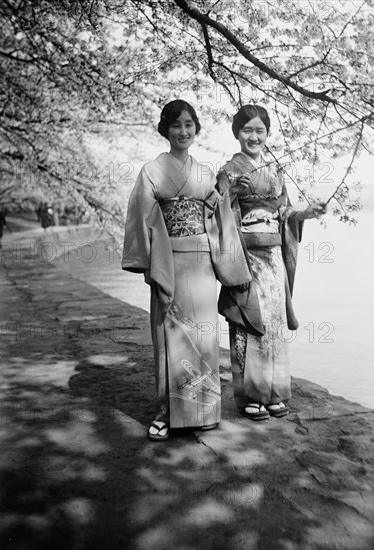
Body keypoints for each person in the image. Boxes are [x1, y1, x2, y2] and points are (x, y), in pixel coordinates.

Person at [122, 100, 251, 441]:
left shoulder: (204, 173)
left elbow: (218, 216)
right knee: (170, 334)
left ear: (196, 129)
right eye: (176, 125)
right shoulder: (151, 170)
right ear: (165, 129)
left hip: (203, 262)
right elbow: (143, 217)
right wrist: (149, 260)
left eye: (189, 125)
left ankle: (204, 411)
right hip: (169, 258)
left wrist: (225, 196)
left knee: (204, 336)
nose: (183, 131)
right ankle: (166, 412)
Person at [218, 104, 327, 421]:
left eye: (259, 131)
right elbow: (216, 211)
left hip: (274, 256)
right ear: (237, 133)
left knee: (274, 323)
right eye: (247, 130)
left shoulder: (276, 170)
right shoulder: (228, 171)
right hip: (244, 255)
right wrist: (231, 193)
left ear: (267, 134)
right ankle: (249, 395)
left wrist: (305, 214)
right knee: (249, 322)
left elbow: (285, 213)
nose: (253, 136)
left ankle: (275, 392)